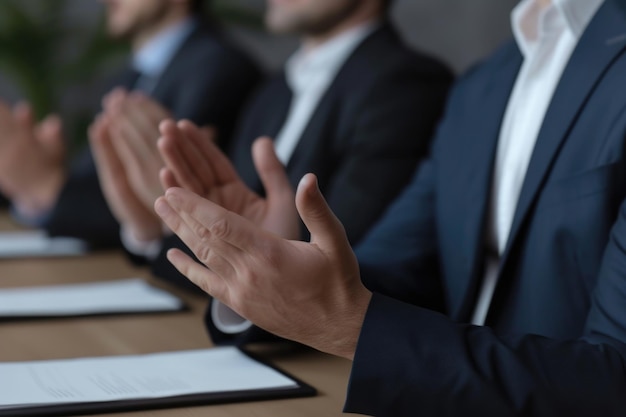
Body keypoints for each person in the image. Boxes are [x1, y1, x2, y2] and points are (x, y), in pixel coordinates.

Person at [154, 0, 626, 414]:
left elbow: (615, 376)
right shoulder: (484, 86)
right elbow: (390, 268)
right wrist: (278, 262)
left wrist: (352, 327)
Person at [95, 0, 452, 292]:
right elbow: (235, 221)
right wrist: (151, 227)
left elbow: (346, 268)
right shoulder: (272, 90)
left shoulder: (407, 85)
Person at [0, 0, 260, 248]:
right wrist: (36, 179)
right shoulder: (128, 76)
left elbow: (167, 201)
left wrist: (45, 185)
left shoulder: (217, 68)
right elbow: (102, 185)